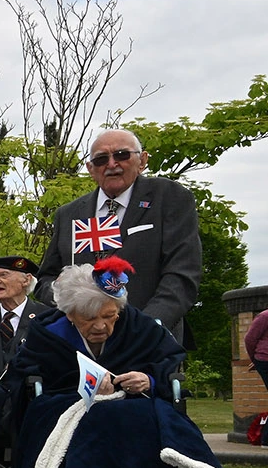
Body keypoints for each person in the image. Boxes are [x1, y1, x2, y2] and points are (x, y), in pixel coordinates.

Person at [6, 263, 231, 468]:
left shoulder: (139, 326)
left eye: (109, 316)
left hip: (136, 403)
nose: (101, 326)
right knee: (92, 420)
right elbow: (28, 377)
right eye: (89, 319)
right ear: (70, 315)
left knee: (144, 420)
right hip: (68, 405)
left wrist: (149, 379)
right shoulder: (47, 333)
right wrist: (84, 388)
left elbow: (167, 365)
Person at [36, 128, 202, 341]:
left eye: (122, 155)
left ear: (142, 160)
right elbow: (45, 279)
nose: (112, 164)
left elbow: (182, 273)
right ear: (90, 168)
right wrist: (72, 302)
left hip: (147, 339)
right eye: (101, 159)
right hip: (81, 341)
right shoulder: (69, 214)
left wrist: (146, 325)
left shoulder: (169, 197)